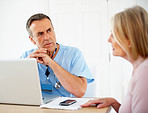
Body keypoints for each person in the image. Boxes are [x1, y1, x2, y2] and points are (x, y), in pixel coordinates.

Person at [81, 6, 148, 113]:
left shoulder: (144, 72)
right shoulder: (139, 68)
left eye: (114, 34)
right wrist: (113, 103)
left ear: (129, 39)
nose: (109, 39)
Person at [20, 13, 94, 98]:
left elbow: (80, 91)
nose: (47, 37)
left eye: (49, 30)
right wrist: (27, 65)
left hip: (66, 108)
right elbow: (14, 89)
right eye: (40, 34)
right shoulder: (27, 56)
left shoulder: (74, 54)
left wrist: (50, 62)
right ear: (32, 39)